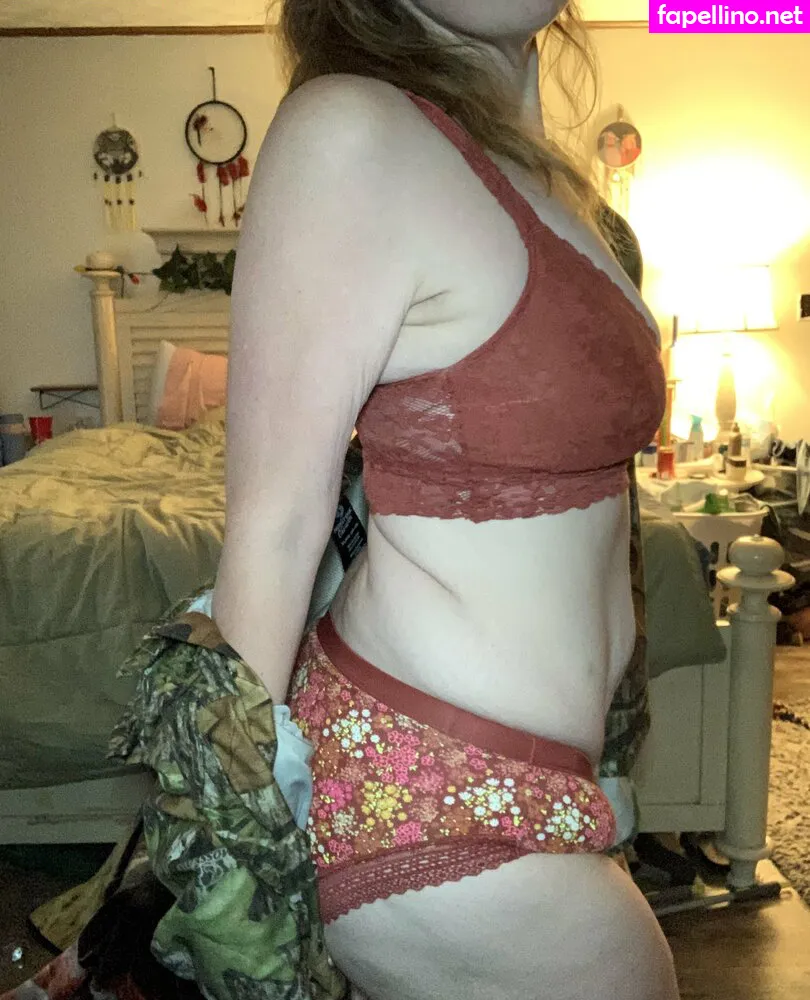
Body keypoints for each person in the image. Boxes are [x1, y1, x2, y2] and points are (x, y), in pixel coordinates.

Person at [213, 1, 680, 997]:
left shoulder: (530, 168)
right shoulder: (350, 131)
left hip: (544, 771)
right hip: (423, 792)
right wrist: (233, 873)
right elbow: (273, 523)